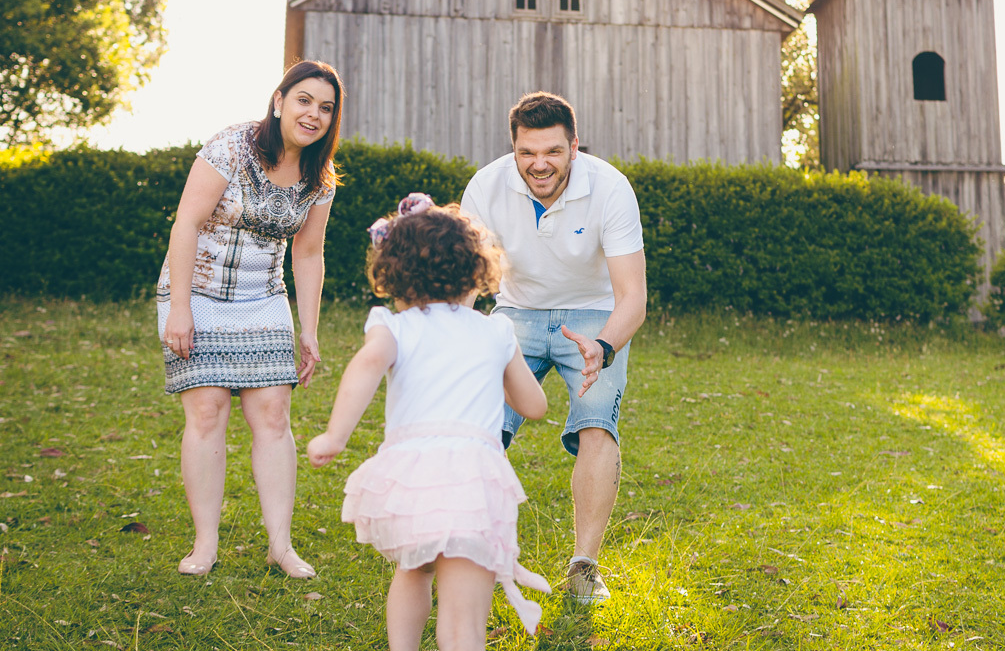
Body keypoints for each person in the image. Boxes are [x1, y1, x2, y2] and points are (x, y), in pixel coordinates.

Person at [307, 195, 550, 650]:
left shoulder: (394, 326)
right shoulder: (495, 332)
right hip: (473, 479)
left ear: (394, 272)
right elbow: (533, 406)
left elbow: (367, 365)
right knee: (463, 614)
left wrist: (336, 435)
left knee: (413, 569)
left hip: (413, 474)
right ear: (476, 270)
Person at [157, 59, 344, 578]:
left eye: (325, 108)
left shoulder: (319, 178)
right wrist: (179, 307)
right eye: (304, 100)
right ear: (280, 100)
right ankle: (205, 544)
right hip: (197, 290)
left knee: (272, 418)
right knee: (208, 414)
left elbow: (309, 254)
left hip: (263, 298)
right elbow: (187, 222)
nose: (313, 114)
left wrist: (307, 330)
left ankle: (280, 545)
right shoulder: (230, 148)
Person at [460, 91, 647, 604]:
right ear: (513, 148)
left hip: (594, 316)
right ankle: (463, 551)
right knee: (479, 424)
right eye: (527, 153)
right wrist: (460, 332)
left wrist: (604, 346)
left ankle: (584, 565)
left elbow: (633, 296)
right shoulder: (487, 185)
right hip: (516, 313)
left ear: (574, 147)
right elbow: (467, 278)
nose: (539, 164)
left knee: (596, 423)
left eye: (553, 152)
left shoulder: (609, 188)